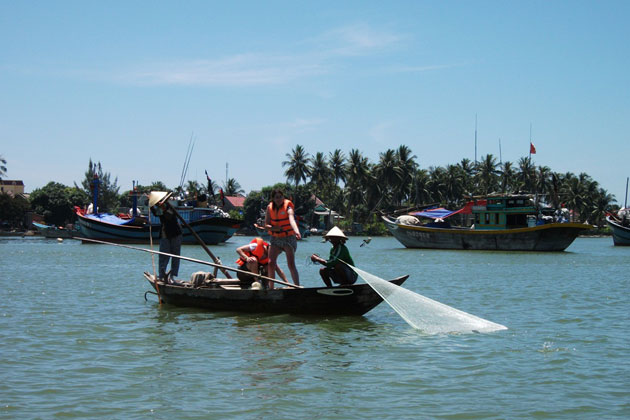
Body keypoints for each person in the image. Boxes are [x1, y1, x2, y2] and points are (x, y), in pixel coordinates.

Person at [260, 189, 301, 288]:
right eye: (276, 197)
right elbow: (266, 225)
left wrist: (297, 231)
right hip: (276, 238)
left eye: (280, 197)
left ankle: (297, 287)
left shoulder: (288, 207)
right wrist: (274, 228)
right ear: (273, 199)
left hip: (288, 238)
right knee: (270, 263)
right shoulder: (269, 208)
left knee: (290, 264)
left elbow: (291, 219)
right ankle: (271, 288)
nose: (279, 199)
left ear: (283, 197)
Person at [149, 192, 182, 284]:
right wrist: (151, 206)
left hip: (175, 234)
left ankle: (172, 276)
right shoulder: (160, 209)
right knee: (163, 255)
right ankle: (162, 275)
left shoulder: (170, 208)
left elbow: (169, 216)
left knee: (175, 255)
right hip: (165, 234)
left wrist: (164, 207)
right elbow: (156, 213)